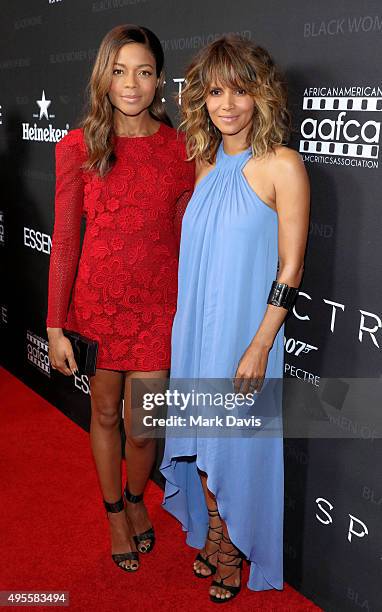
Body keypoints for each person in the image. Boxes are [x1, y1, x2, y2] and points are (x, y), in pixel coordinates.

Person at [160, 35, 310, 602]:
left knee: (237, 444)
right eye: (216, 91)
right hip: (196, 330)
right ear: (201, 97)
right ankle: (218, 535)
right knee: (202, 437)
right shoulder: (202, 163)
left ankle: (231, 546)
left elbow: (291, 266)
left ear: (261, 95)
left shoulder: (283, 166)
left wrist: (260, 344)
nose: (227, 104)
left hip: (246, 336)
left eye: (240, 91)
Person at [46, 24, 194, 572]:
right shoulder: (79, 145)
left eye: (145, 71)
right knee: (104, 413)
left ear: (159, 80)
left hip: (159, 309)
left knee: (144, 424)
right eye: (119, 70)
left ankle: (137, 500)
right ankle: (114, 513)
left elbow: (186, 242)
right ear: (103, 76)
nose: (132, 84)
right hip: (97, 307)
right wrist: (55, 325)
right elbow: (65, 238)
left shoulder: (182, 150)